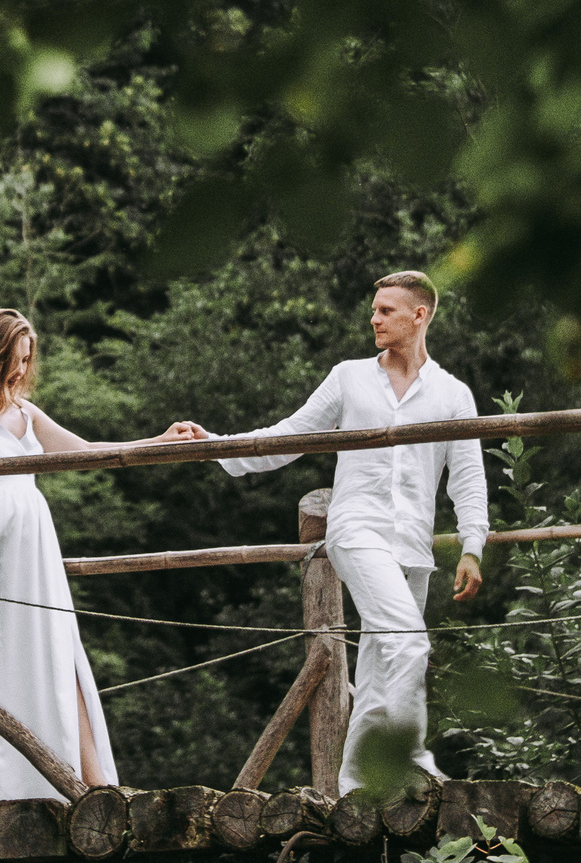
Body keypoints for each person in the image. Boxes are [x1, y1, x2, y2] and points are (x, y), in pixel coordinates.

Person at [175, 270, 488, 795]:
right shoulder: (348, 377)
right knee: (409, 645)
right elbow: (286, 437)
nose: (374, 318)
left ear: (421, 315)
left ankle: (351, 789)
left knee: (377, 667)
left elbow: (469, 478)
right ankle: (410, 760)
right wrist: (216, 444)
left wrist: (473, 546)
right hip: (357, 531)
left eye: (386, 310)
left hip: (412, 546)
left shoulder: (453, 394)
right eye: (374, 308)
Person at [0, 307, 207, 814]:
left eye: (26, 361)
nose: (21, 371)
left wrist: (156, 442)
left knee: (51, 644)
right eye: (13, 360)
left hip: (29, 531)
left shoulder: (25, 411)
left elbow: (88, 450)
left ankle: (92, 784)